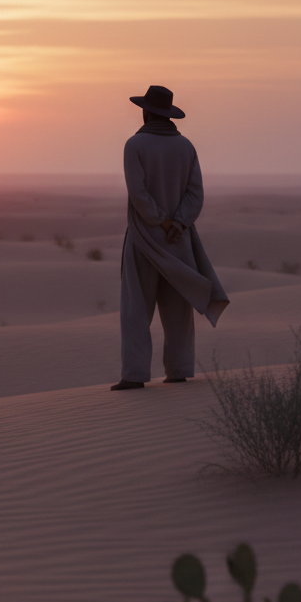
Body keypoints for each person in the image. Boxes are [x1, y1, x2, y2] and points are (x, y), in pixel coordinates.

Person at [111, 85, 229, 390]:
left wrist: (161, 222)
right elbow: (195, 194)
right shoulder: (186, 147)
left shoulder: (134, 145)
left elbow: (138, 193)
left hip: (144, 239)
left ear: (146, 112)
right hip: (179, 240)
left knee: (136, 308)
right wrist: (178, 223)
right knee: (177, 307)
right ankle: (179, 369)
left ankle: (134, 375)